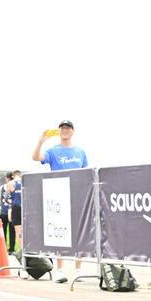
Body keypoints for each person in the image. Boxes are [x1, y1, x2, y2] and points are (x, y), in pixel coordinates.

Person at [31, 120, 89, 282]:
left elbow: (85, 172)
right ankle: (60, 270)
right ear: (59, 131)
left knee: (79, 233)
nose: (65, 130)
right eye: (62, 128)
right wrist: (41, 141)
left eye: (68, 128)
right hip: (58, 195)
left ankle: (78, 271)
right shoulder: (53, 151)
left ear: (73, 131)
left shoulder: (80, 152)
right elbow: (36, 157)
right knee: (59, 233)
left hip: (77, 196)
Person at [0, 171, 13, 252]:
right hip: (3, 212)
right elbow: (0, 200)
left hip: (11, 212)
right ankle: (4, 248)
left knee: (11, 231)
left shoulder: (14, 187)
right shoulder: (2, 187)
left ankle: (11, 249)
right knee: (4, 231)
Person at [7, 170, 22, 252]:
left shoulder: (11, 183)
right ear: (21, 175)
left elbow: (6, 198)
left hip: (16, 208)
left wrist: (10, 208)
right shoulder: (26, 182)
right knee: (26, 230)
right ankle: (28, 249)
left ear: (13, 176)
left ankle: (21, 249)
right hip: (26, 208)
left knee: (18, 231)